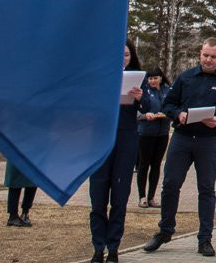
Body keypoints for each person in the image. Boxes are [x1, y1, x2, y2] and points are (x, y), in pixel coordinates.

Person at [143, 38, 216, 258]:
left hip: (208, 141)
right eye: (205, 55)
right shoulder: (185, 77)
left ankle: (205, 238)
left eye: (213, 57)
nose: (208, 60)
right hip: (182, 138)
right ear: (200, 53)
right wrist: (177, 113)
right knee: (170, 185)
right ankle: (165, 231)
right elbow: (168, 104)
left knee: (206, 189)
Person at [89, 38, 143, 263]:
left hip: (126, 140)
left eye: (127, 55)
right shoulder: (98, 76)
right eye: (118, 54)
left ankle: (113, 248)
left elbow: (153, 107)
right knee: (98, 199)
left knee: (119, 199)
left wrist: (141, 98)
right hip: (100, 140)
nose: (123, 58)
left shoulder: (139, 79)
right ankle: (98, 247)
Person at [137, 66, 171, 208]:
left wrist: (169, 114)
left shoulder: (167, 91)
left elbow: (171, 107)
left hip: (162, 132)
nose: (153, 81)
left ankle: (151, 197)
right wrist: (146, 115)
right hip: (146, 132)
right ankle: (142, 197)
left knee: (156, 165)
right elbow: (140, 109)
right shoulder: (143, 91)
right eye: (150, 78)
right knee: (143, 165)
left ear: (161, 78)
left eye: (155, 78)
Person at [4, 159, 37, 227]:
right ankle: (13, 215)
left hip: (33, 153)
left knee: (32, 181)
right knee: (14, 181)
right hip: (16, 152)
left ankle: (25, 213)